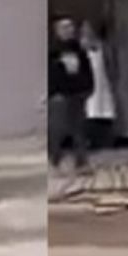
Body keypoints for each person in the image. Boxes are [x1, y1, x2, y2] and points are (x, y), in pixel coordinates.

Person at [49, 17, 94, 173]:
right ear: (57, 31)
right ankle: (54, 159)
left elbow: (87, 70)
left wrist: (89, 88)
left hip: (78, 94)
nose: (68, 30)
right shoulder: (52, 51)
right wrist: (53, 92)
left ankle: (82, 162)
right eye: (64, 27)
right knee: (58, 129)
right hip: (59, 95)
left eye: (70, 27)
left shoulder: (79, 50)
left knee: (79, 129)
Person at [80, 21, 116, 150]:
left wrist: (112, 77)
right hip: (88, 83)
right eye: (84, 31)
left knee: (104, 110)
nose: (87, 33)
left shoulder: (102, 47)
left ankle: (105, 140)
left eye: (89, 30)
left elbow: (110, 65)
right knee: (90, 110)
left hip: (102, 82)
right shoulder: (81, 48)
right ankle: (90, 140)